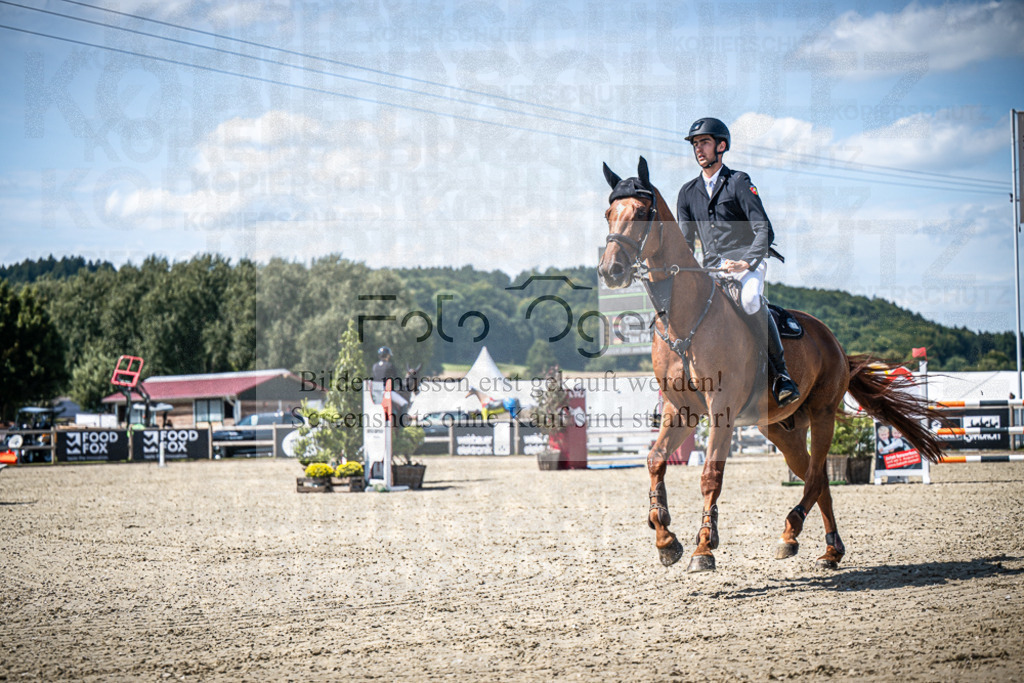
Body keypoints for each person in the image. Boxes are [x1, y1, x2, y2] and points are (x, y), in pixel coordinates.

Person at [677, 117, 799, 407]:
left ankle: (781, 374)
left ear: (721, 146)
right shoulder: (687, 192)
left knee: (750, 300)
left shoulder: (739, 182)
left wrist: (746, 262)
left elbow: (764, 230)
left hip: (747, 262)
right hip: (712, 269)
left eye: (704, 142)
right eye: (695, 144)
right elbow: (685, 243)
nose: (699, 149)